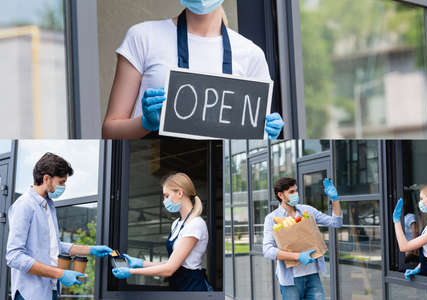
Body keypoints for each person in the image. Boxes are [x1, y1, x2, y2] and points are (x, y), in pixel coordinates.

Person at [102, 0, 284, 139]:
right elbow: (109, 131)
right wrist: (145, 123)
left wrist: (266, 138)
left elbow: (250, 137)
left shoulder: (252, 55)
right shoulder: (142, 37)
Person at [6, 153, 113, 300]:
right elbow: (14, 256)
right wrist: (60, 273)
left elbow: (53, 245)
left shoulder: (49, 205)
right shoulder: (24, 205)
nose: (64, 186)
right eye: (61, 182)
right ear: (46, 178)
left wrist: (91, 250)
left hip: (51, 289)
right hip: (30, 294)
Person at [111, 173, 211, 291]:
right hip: (179, 288)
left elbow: (170, 269)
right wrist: (139, 262)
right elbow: (171, 264)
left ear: (180, 193)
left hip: (193, 289)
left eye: (166, 196)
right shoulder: (176, 224)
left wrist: (132, 271)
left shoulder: (195, 224)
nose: (164, 201)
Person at [263, 177, 343, 300]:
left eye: (296, 191)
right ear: (280, 195)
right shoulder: (272, 218)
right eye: (291, 192)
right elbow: (268, 250)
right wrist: (298, 256)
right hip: (291, 281)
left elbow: (336, 223)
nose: (296, 194)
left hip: (313, 276)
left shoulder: (308, 210)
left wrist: (335, 200)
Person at [393, 184, 427, 300]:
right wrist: (419, 266)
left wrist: (396, 221)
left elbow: (404, 246)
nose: (420, 202)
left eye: (422, 199)